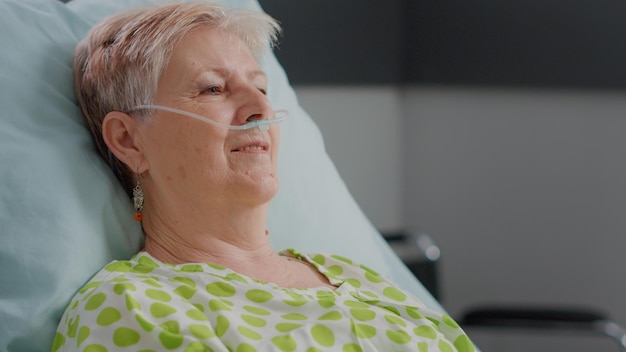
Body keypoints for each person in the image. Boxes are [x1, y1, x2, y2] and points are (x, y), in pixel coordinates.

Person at [52, 3, 475, 351]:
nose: (261, 109)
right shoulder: (131, 307)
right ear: (129, 140)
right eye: (213, 88)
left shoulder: (358, 279)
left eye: (263, 89)